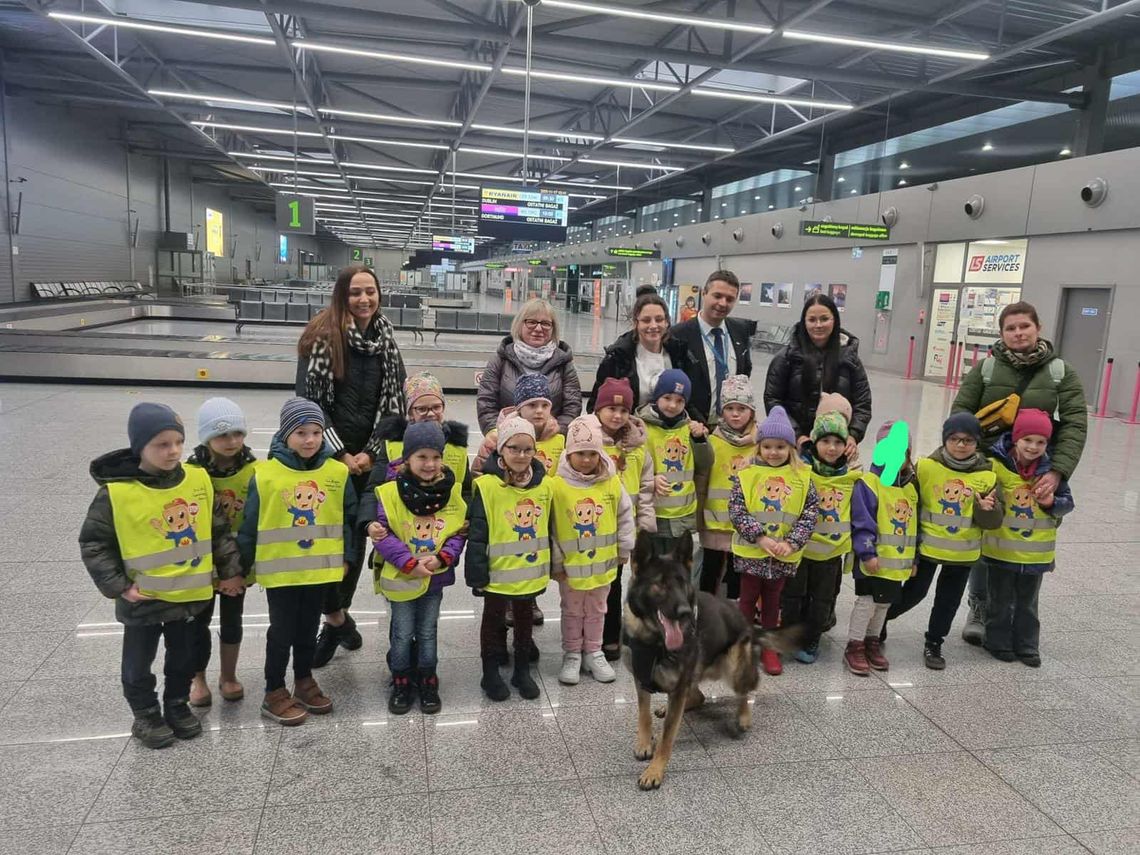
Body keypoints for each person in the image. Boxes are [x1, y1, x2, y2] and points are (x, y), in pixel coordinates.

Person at [80, 403, 244, 749]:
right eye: (161, 444)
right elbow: (94, 543)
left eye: (177, 443)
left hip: (189, 597)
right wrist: (119, 587)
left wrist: (230, 572)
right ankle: (146, 715)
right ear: (140, 446)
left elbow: (219, 532)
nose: (172, 451)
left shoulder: (198, 480)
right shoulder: (116, 493)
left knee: (183, 659)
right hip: (143, 600)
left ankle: (177, 705)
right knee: (138, 664)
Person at [951, 301, 1087, 645]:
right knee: (986, 538)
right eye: (1010, 328)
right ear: (1002, 333)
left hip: (1037, 472)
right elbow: (961, 415)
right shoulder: (986, 369)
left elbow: (1075, 424)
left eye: (1024, 326)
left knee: (1031, 541)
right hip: (991, 468)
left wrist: (1057, 471)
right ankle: (980, 608)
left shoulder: (1060, 372)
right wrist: (971, 464)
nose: (1018, 333)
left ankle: (1022, 620)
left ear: (1038, 327)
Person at [298, 264, 407, 663]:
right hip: (326, 461)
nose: (364, 300)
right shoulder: (321, 339)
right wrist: (341, 453)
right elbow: (308, 408)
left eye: (370, 292)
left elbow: (396, 406)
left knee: (354, 546)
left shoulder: (387, 340)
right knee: (328, 542)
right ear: (342, 295)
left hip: (369, 461)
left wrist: (371, 453)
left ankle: (335, 622)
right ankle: (337, 619)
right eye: (355, 293)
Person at [237, 398, 357, 726]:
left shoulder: (336, 472)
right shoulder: (266, 475)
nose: (310, 440)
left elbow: (346, 517)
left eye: (316, 432)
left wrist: (347, 556)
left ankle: (303, 680)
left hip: (319, 570)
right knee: (282, 632)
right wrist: (241, 567)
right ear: (285, 434)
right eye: (301, 432)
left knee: (306, 631)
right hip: (281, 574)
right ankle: (274, 689)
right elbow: (250, 525)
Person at [355, 372, 472, 678]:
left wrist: (465, 523)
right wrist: (369, 523)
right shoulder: (393, 446)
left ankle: (426, 671)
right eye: (422, 408)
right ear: (409, 412)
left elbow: (466, 491)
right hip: (398, 548)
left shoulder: (457, 449)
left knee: (428, 624)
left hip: (438, 545)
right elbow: (374, 490)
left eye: (436, 406)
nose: (430, 413)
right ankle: (401, 670)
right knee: (402, 623)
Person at [881, 413, 1002, 670]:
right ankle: (879, 621)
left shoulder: (988, 475)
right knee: (914, 593)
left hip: (962, 555)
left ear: (977, 442)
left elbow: (992, 522)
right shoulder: (926, 467)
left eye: (968, 440)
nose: (960, 445)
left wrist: (986, 509)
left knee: (948, 601)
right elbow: (907, 498)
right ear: (945, 439)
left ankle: (934, 642)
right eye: (955, 439)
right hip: (927, 549)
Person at [371, 422, 467, 714]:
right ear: (407, 458)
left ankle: (428, 678)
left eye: (436, 457)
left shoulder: (452, 491)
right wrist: (408, 563)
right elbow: (382, 534)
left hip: (435, 579)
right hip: (401, 578)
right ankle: (400, 679)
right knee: (401, 633)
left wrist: (443, 558)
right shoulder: (389, 493)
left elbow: (459, 531)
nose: (430, 464)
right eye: (422, 457)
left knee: (428, 631)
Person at [466, 416, 552, 702]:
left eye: (528, 449)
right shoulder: (487, 486)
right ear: (501, 450)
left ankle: (522, 670)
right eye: (514, 448)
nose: (521, 455)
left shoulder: (544, 486)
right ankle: (489, 670)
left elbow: (548, 529)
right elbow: (478, 534)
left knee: (525, 621)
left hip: (529, 573)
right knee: (492, 621)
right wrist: (477, 575)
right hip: (496, 574)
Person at [729, 405, 819, 676]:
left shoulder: (803, 477)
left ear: (790, 448)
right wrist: (760, 537)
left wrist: (791, 542)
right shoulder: (746, 475)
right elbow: (737, 509)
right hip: (752, 553)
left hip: (783, 555)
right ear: (759, 448)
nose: (773, 452)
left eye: (780, 447)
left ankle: (769, 647)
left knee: (772, 602)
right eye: (767, 446)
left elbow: (810, 512)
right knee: (746, 600)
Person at [982, 409, 1074, 667]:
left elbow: (1068, 503)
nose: (1033, 447)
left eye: (1041, 442)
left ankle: (1027, 645)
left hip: (1036, 553)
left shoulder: (1052, 472)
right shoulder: (996, 465)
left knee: (1028, 603)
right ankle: (996, 640)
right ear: (1016, 439)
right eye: (1027, 440)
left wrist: (1052, 502)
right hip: (1001, 550)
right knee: (999, 599)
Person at [551, 415, 635, 686]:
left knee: (598, 609)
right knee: (573, 610)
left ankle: (594, 651)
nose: (586, 459)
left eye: (591, 453)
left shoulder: (611, 482)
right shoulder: (557, 485)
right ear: (568, 454)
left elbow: (624, 515)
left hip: (604, 565)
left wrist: (625, 548)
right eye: (579, 453)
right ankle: (573, 653)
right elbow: (550, 527)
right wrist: (556, 562)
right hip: (571, 569)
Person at [186, 397, 258, 706]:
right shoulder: (190, 473)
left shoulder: (257, 471)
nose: (231, 442)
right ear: (206, 437)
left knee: (232, 619)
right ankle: (197, 677)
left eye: (237, 433)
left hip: (237, 564)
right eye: (222, 435)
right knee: (197, 621)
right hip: (199, 563)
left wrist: (242, 566)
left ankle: (228, 676)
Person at [783, 403, 860, 664]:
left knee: (822, 599)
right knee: (793, 595)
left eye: (837, 442)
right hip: (800, 549)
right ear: (814, 442)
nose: (831, 448)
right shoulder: (800, 472)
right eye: (825, 440)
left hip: (830, 553)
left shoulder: (851, 476)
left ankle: (813, 636)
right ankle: (790, 633)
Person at [845, 421, 919, 676]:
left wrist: (914, 559)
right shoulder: (869, 483)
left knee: (884, 604)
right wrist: (867, 554)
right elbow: (862, 521)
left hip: (897, 563)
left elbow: (914, 527)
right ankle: (854, 644)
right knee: (866, 603)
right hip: (872, 560)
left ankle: (871, 642)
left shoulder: (910, 488)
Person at [764, 293, 872, 459]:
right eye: (812, 320)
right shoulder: (785, 358)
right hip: (798, 448)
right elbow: (773, 400)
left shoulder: (851, 360)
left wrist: (852, 435)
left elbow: (862, 403)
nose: (818, 325)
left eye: (824, 319)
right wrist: (797, 435)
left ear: (834, 320)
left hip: (835, 450)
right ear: (804, 322)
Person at [593, 377, 656, 661]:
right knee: (592, 584)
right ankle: (586, 635)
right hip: (592, 528)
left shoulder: (639, 446)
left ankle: (610, 636)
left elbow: (645, 487)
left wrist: (645, 523)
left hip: (622, 530)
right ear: (598, 410)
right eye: (611, 409)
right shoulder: (589, 440)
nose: (617, 416)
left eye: (623, 410)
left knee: (616, 582)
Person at [476, 298, 582, 434]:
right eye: (531, 322)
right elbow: (486, 402)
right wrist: (495, 432)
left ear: (553, 328)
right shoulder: (500, 360)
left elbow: (572, 406)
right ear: (519, 325)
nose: (538, 329)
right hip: (509, 444)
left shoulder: (564, 364)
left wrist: (558, 430)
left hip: (550, 445)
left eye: (545, 324)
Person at [696, 374, 759, 599]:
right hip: (714, 522)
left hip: (743, 525)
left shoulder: (760, 446)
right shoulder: (713, 441)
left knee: (737, 575)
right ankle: (704, 613)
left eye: (741, 408)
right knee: (709, 573)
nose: (735, 413)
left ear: (751, 411)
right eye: (730, 407)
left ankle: (732, 616)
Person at [636, 369, 712, 554]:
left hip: (681, 517)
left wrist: (700, 440)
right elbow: (633, 466)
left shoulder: (689, 428)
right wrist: (650, 480)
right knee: (649, 570)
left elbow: (705, 463)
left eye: (680, 401)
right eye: (667, 398)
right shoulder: (641, 427)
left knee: (676, 571)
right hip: (652, 513)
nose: (672, 405)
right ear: (656, 397)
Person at [668, 270, 754, 424]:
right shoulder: (679, 335)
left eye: (730, 299)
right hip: (692, 426)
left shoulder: (740, 330)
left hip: (732, 428)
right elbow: (675, 386)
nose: (722, 303)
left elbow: (745, 373)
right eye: (717, 296)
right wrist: (700, 425)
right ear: (704, 293)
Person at [588, 293, 698, 411]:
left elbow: (690, 400)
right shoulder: (617, 358)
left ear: (666, 322)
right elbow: (596, 406)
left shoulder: (680, 355)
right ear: (636, 323)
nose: (653, 325)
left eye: (659, 319)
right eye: (646, 320)